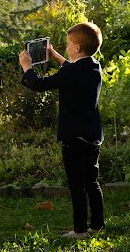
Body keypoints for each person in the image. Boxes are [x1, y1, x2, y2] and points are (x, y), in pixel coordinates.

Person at [18, 22, 105, 239]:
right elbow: (72, 69)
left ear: (76, 48)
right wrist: (55, 55)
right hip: (92, 136)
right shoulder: (94, 66)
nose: (65, 48)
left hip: (74, 138)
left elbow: (39, 84)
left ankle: (79, 230)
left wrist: (27, 67)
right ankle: (96, 226)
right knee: (92, 182)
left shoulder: (72, 73)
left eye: (67, 45)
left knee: (76, 185)